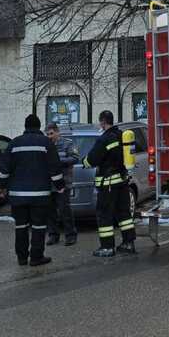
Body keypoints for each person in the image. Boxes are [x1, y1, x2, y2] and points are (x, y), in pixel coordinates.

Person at [0, 114, 65, 266]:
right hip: (39, 194)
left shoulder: (14, 143)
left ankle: (22, 258)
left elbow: (4, 168)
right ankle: (36, 257)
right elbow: (54, 167)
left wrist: (1, 187)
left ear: (25, 126)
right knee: (38, 226)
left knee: (20, 226)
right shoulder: (46, 143)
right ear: (38, 126)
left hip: (17, 195)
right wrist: (60, 186)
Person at [84, 110, 136, 257]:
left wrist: (84, 161)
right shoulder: (121, 136)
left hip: (108, 184)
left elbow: (92, 159)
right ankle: (128, 243)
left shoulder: (104, 139)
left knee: (104, 214)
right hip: (122, 181)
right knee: (124, 213)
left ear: (103, 122)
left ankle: (107, 247)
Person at [45, 122, 78, 246]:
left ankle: (70, 235)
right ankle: (53, 235)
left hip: (63, 183)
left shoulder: (67, 143)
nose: (49, 136)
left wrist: (58, 161)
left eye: (51, 133)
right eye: (47, 134)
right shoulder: (46, 146)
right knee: (50, 211)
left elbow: (75, 158)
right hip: (49, 184)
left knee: (65, 210)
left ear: (57, 132)